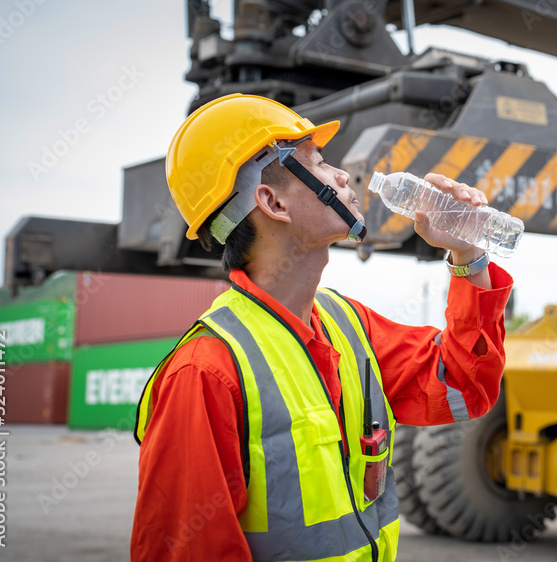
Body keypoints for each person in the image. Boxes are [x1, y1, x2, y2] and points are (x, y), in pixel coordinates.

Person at [131, 94, 512, 561]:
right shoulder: (205, 372)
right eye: (318, 162)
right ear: (272, 202)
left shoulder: (346, 325)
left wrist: (468, 256)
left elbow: (463, 385)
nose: (342, 176)